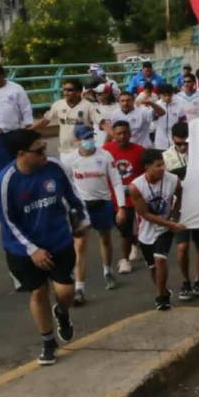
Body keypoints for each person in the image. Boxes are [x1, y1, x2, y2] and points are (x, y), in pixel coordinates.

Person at [0, 129, 87, 366]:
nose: (45, 153)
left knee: (66, 292)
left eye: (44, 147)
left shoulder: (54, 168)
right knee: (38, 292)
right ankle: (48, 342)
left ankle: (62, 312)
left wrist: (82, 218)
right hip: (22, 248)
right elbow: (8, 222)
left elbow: (73, 195)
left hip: (58, 241)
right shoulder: (5, 182)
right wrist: (32, 249)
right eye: (38, 150)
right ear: (21, 154)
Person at [61, 124, 126, 298]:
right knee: (80, 245)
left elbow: (116, 181)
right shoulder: (69, 160)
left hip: (103, 203)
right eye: (85, 138)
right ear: (77, 140)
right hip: (81, 207)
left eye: (91, 137)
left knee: (105, 239)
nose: (89, 141)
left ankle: (108, 271)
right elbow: (65, 185)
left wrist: (121, 207)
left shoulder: (105, 156)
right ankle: (79, 288)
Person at [127, 148, 185, 310]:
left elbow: (181, 195)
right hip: (146, 230)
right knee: (153, 267)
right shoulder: (136, 187)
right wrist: (172, 225)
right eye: (158, 165)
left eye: (163, 164)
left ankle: (161, 298)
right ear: (147, 167)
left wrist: (174, 216)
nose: (162, 168)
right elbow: (144, 214)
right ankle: (164, 290)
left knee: (160, 259)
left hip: (165, 228)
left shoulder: (173, 180)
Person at [163, 122, 199, 300]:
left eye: (186, 143)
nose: (183, 147)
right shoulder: (166, 157)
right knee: (182, 247)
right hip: (179, 209)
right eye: (179, 144)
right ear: (172, 140)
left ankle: (198, 280)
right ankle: (185, 282)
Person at [103, 120, 146, 275]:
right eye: (119, 133)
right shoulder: (106, 150)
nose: (122, 136)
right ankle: (130, 250)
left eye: (125, 133)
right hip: (114, 198)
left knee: (130, 229)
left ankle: (125, 259)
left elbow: (146, 173)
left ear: (130, 134)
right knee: (124, 229)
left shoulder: (140, 150)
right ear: (113, 135)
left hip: (135, 197)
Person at [36, 78, 99, 154]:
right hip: (64, 151)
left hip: (83, 151)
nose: (65, 92)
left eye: (69, 90)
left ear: (79, 92)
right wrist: (28, 131)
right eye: (64, 90)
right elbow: (45, 121)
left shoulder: (89, 106)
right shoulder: (58, 104)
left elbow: (102, 123)